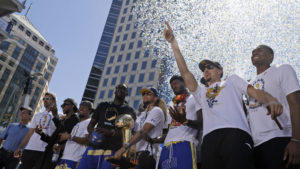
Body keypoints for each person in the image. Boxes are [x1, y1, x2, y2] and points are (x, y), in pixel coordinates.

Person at [163, 21, 283, 169]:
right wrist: (173, 43)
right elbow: (185, 72)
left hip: (235, 134)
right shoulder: (200, 92)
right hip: (210, 140)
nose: (205, 70)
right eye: (203, 69)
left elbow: (254, 92)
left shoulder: (232, 80)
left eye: (210, 67)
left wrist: (271, 99)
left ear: (219, 71)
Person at [247, 45, 300, 169]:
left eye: (260, 49)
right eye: (253, 51)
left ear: (271, 56)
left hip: (281, 138)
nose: (255, 51)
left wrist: (296, 140)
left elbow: (295, 104)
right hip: (257, 146)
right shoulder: (248, 85)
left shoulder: (282, 70)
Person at [76, 84, 136, 169]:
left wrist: (111, 133)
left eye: (123, 89)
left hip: (112, 150)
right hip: (93, 148)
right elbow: (91, 124)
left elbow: (129, 132)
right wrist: (92, 133)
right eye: (118, 87)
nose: (120, 90)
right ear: (115, 91)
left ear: (127, 93)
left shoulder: (129, 111)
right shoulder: (103, 105)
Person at [113, 87, 167, 169]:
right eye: (143, 94)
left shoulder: (157, 110)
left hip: (148, 153)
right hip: (136, 153)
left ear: (156, 98)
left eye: (148, 93)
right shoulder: (141, 115)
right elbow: (134, 132)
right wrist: (127, 125)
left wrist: (123, 148)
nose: (145, 95)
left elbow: (143, 131)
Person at [158, 75, 202, 169]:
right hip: (167, 146)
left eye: (176, 83)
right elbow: (170, 129)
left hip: (185, 143)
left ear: (185, 83)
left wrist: (185, 121)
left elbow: (201, 124)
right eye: (172, 85)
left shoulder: (195, 98)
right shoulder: (171, 104)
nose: (174, 86)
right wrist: (154, 140)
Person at [14, 92, 61, 169]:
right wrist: (20, 147)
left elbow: (59, 131)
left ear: (54, 101)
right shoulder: (38, 115)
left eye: (47, 99)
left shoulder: (60, 116)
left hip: (44, 151)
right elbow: (30, 133)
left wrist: (55, 114)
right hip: (29, 149)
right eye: (44, 99)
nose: (45, 100)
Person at [36, 98, 79, 169]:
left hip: (58, 155)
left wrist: (61, 146)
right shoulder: (63, 120)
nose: (62, 106)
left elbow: (70, 139)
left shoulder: (75, 120)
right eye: (62, 105)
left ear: (72, 106)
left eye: (65, 104)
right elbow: (53, 140)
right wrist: (41, 133)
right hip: (48, 154)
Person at [55, 101, 93, 169]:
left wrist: (70, 136)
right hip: (64, 158)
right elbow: (72, 142)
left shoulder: (89, 123)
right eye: (80, 107)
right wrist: (60, 147)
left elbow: (88, 141)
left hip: (75, 160)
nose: (81, 109)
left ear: (90, 111)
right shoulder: (77, 124)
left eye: (84, 108)